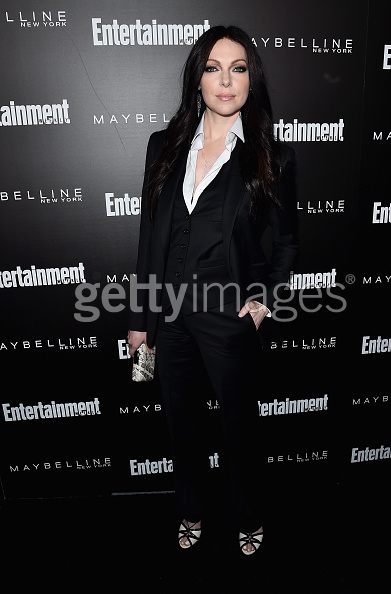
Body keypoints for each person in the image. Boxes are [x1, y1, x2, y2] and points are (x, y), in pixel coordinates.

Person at [127, 24, 299, 555]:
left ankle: (249, 515)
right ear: (197, 79)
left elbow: (288, 243)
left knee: (238, 427)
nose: (225, 81)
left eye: (237, 69)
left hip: (230, 315)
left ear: (251, 80)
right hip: (170, 314)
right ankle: (191, 510)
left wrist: (263, 301)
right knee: (182, 425)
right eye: (213, 68)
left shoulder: (271, 156)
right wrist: (140, 319)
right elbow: (148, 238)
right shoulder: (163, 146)